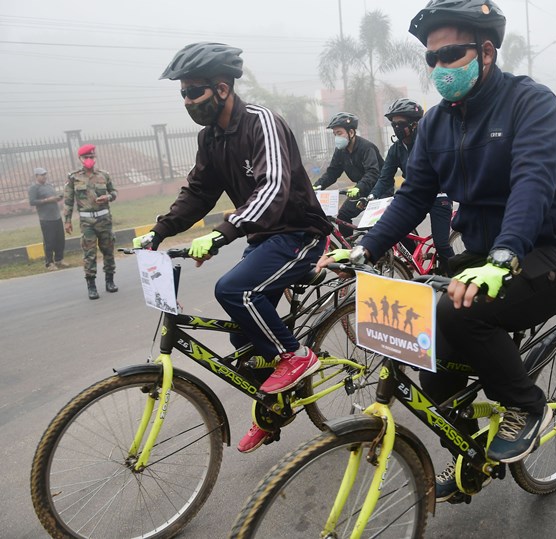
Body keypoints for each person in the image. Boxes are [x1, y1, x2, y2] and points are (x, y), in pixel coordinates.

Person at [318, 0, 556, 502]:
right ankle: (470, 453)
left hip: (549, 253)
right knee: (430, 356)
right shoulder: (436, 124)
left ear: (485, 52)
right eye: (432, 58)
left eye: (451, 54)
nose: (440, 66)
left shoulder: (529, 102)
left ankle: (526, 405)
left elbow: (531, 183)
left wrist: (505, 256)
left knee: (463, 313)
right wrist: (364, 248)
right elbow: (413, 196)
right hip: (482, 256)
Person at [133, 42, 332, 453]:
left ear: (222, 88)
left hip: (299, 234)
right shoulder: (211, 138)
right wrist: (159, 231)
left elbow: (272, 187)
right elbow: (199, 192)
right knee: (246, 344)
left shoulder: (261, 122)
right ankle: (274, 410)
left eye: (194, 92)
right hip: (264, 239)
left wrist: (223, 232)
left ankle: (296, 356)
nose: (187, 101)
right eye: (183, 94)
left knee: (233, 290)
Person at [367, 98, 456, 272]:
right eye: (393, 124)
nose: (396, 127)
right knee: (397, 231)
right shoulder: (396, 149)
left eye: (401, 123)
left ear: (414, 124)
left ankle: (455, 276)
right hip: (416, 196)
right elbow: (385, 178)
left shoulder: (428, 142)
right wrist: (372, 195)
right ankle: (416, 257)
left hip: (439, 196)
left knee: (441, 244)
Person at [312, 113, 384, 237]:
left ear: (351, 132)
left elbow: (373, 173)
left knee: (374, 223)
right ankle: (348, 247)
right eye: (334, 134)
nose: (336, 137)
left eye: (339, 133)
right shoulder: (340, 151)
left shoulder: (366, 147)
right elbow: (332, 172)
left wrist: (359, 187)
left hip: (380, 188)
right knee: (343, 216)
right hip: (361, 189)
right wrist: (318, 185)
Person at [64, 144, 118, 299]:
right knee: (89, 254)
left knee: (108, 251)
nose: (89, 159)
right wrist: (67, 220)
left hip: (104, 219)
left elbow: (114, 192)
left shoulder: (104, 175)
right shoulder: (74, 178)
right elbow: (68, 200)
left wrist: (108, 197)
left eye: (91, 157)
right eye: (86, 157)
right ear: (80, 159)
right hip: (87, 221)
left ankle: (110, 281)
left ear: (95, 158)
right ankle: (91, 286)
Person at [28, 167, 68, 271]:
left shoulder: (49, 185)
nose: (44, 176)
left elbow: (53, 197)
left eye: (45, 174)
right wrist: (47, 200)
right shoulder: (34, 188)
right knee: (49, 241)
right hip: (46, 218)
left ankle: (59, 259)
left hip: (56, 216)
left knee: (60, 239)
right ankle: (49, 263)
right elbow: (32, 202)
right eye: (42, 175)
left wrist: (58, 197)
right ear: (36, 176)